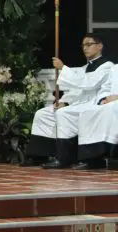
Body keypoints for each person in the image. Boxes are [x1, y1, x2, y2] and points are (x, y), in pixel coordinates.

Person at [22, 34, 113, 168]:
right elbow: (76, 91)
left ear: (99, 46)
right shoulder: (84, 68)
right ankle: (39, 155)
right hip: (79, 102)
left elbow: (88, 83)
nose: (85, 48)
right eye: (83, 45)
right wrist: (65, 101)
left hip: (93, 103)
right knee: (43, 114)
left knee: (63, 114)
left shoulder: (107, 66)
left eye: (89, 44)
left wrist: (63, 68)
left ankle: (64, 158)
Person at [75, 65, 118, 169]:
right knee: (87, 112)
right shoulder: (115, 68)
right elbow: (106, 88)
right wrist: (104, 99)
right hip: (110, 102)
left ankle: (113, 157)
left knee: (111, 109)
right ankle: (91, 158)